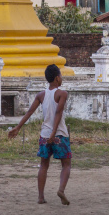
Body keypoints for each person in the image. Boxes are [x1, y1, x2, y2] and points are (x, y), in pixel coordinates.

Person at [8, 64, 71, 205]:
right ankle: (61, 189)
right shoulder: (62, 93)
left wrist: (18, 127)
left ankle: (41, 197)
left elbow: (29, 112)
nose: (61, 78)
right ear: (57, 78)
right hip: (59, 134)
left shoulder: (41, 95)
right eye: (60, 76)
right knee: (66, 164)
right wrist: (54, 132)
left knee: (43, 165)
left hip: (44, 135)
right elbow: (58, 113)